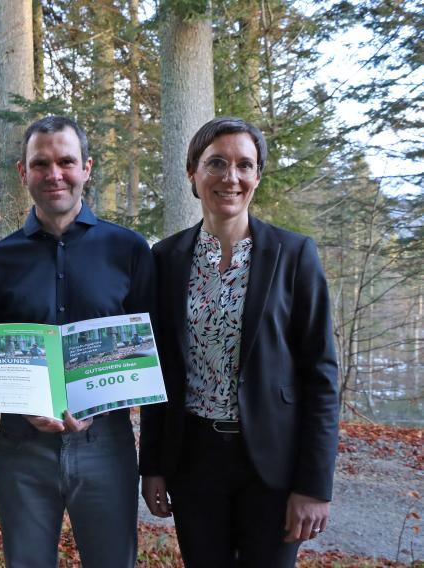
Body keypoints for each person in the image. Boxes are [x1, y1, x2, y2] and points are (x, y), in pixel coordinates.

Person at [139, 116, 339, 567]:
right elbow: (159, 368)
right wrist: (152, 464)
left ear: (257, 177)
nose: (231, 177)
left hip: (274, 464)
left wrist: (313, 485)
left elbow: (322, 377)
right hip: (194, 461)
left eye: (244, 165)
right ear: (193, 174)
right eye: (216, 163)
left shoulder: (294, 255)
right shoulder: (166, 258)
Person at [0, 116, 156, 567]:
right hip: (22, 445)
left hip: (107, 444)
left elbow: (153, 357)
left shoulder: (129, 250)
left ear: (86, 168)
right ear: (23, 173)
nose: (54, 174)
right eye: (41, 163)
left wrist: (156, 458)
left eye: (66, 161)